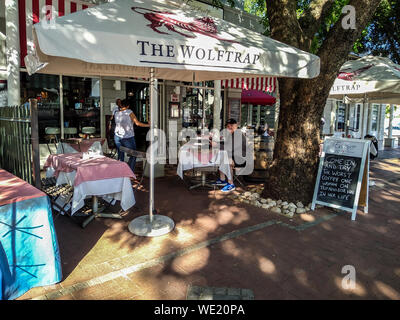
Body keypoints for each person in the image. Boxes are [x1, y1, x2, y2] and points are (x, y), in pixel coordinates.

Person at [211, 118, 248, 192]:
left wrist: (217, 145)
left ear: (236, 125)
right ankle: (222, 180)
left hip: (240, 158)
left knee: (227, 159)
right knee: (222, 157)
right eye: (228, 126)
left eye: (231, 125)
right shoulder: (231, 134)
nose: (229, 127)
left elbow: (231, 147)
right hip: (234, 155)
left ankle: (231, 184)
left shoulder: (238, 134)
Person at [113, 99, 149, 172]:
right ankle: (129, 172)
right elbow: (137, 123)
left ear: (121, 105)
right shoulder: (129, 112)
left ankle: (121, 172)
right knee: (134, 154)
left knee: (121, 155)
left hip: (117, 137)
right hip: (127, 137)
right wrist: (148, 125)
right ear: (128, 106)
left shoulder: (116, 112)